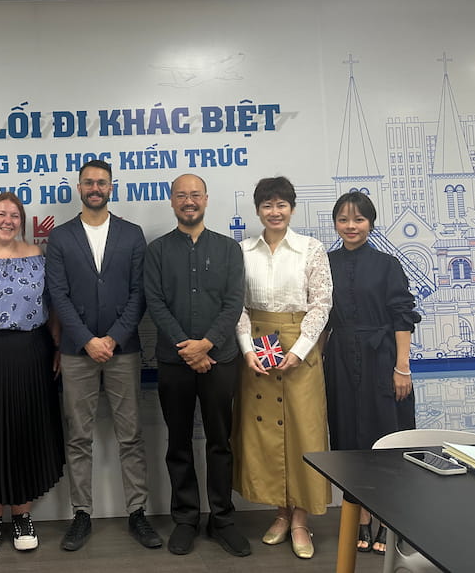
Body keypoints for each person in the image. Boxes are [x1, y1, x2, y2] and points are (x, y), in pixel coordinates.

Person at [46, 159, 162, 552]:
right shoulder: (61, 237)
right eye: (89, 182)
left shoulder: (132, 234)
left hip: (123, 350)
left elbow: (140, 293)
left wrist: (112, 338)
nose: (95, 188)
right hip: (77, 352)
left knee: (131, 435)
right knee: (79, 437)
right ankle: (81, 513)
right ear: (79, 187)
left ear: (111, 187)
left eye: (102, 182)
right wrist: (87, 340)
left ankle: (137, 512)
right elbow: (58, 295)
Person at [143, 174, 250, 558]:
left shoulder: (228, 249)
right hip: (174, 362)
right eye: (181, 195)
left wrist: (206, 345)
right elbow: (155, 303)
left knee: (221, 442)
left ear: (206, 199)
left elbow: (234, 302)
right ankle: (186, 519)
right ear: (172, 202)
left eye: (195, 195)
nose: (188, 201)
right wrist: (188, 349)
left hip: (220, 359)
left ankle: (222, 519)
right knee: (178, 443)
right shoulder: (157, 251)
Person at [0, 192, 64, 555]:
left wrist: (57, 345)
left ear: (22, 221)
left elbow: (53, 306)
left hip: (31, 352)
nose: (7, 221)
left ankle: (22, 515)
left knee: (25, 430)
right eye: (0, 214)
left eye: (14, 215)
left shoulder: (39, 257)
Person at [233, 176, 332, 560]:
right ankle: (279, 512)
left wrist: (301, 349)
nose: (275, 212)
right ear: (258, 210)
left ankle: (301, 519)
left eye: (281, 205)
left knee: (303, 432)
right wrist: (247, 349)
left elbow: (321, 303)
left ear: (291, 208)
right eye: (267, 205)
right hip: (258, 349)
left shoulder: (311, 249)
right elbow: (237, 305)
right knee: (266, 435)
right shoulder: (243, 251)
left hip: (300, 349)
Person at [324, 192, 419, 556]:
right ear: (335, 223)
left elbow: (402, 317)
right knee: (348, 440)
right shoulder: (325, 262)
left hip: (382, 360)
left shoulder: (387, 264)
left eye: (359, 219)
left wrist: (402, 367)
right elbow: (321, 318)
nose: (351, 226)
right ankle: (360, 517)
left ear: (371, 223)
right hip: (340, 360)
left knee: (386, 439)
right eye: (344, 219)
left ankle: (387, 520)